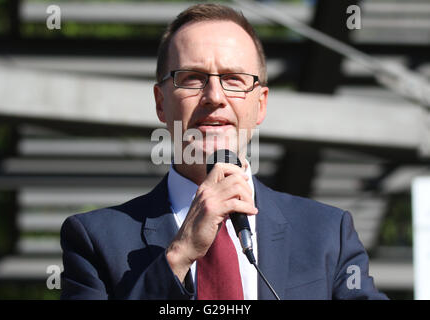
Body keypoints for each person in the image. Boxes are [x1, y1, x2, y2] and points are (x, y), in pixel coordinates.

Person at [60, 3, 388, 300]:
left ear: (260, 105)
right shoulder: (95, 239)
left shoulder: (328, 233)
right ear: (161, 103)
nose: (214, 96)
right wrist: (179, 254)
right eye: (192, 78)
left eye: (233, 79)